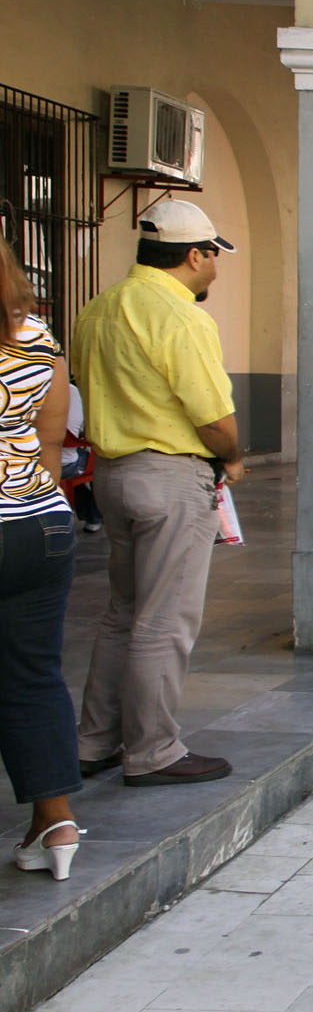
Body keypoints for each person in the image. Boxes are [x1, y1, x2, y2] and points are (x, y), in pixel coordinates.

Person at [71, 198, 243, 788]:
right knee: (163, 619)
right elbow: (214, 419)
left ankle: (94, 741)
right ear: (195, 255)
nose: (216, 269)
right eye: (214, 257)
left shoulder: (98, 309)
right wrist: (233, 455)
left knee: (122, 613)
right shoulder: (181, 317)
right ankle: (153, 751)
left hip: (112, 474)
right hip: (169, 476)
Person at [1, 237, 83, 881]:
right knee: (33, 678)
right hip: (41, 523)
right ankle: (55, 824)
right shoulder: (35, 333)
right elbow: (51, 442)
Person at [61, 380, 101, 531]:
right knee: (98, 464)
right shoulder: (71, 391)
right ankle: (94, 518)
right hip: (68, 463)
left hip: (35, 463)